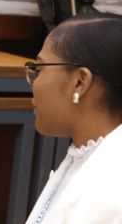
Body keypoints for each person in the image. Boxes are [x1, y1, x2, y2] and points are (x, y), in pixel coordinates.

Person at [25, 12, 122, 223]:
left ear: (80, 82)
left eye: (39, 69)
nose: (33, 83)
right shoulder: (85, 155)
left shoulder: (112, 191)